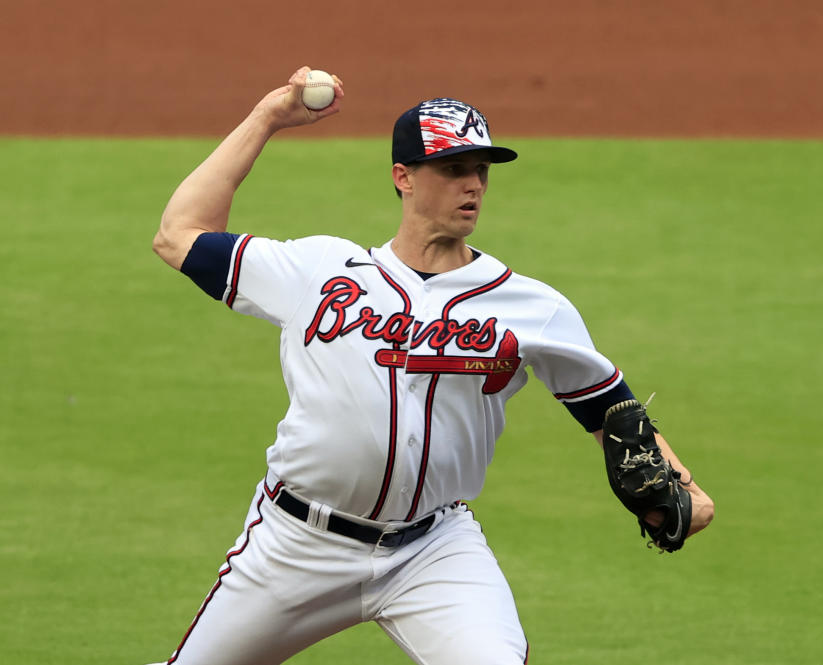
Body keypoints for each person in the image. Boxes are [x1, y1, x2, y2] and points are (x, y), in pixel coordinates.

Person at [147, 66, 714, 665]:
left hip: (434, 549)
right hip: (297, 544)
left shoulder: (532, 307)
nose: (472, 184)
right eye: (452, 169)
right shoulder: (319, 272)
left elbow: (611, 411)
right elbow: (179, 233)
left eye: (480, 170)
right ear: (404, 178)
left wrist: (689, 489)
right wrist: (266, 118)